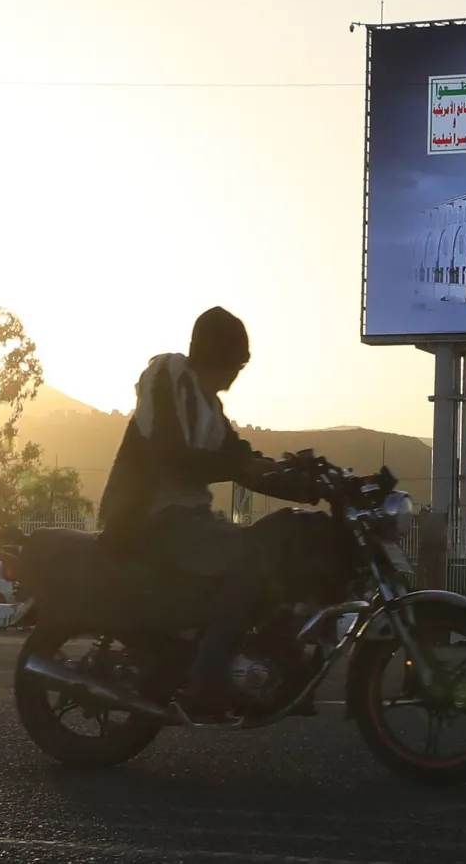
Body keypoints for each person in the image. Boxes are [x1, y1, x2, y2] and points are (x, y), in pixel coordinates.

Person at [98, 306, 314, 714]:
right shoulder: (168, 380)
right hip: (149, 518)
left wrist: (304, 483)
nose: (237, 373)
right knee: (252, 555)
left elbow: (240, 459)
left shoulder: (209, 408)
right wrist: (240, 465)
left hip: (186, 519)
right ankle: (206, 677)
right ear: (213, 353)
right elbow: (172, 456)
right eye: (236, 361)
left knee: (277, 545)